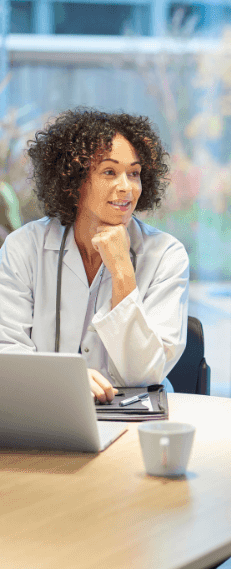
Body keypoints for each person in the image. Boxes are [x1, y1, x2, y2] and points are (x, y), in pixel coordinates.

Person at [0, 108, 189, 401]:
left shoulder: (166, 255)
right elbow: (5, 352)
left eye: (134, 173)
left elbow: (147, 374)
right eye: (109, 172)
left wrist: (122, 271)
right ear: (74, 181)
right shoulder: (24, 247)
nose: (126, 187)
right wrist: (62, 381)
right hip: (46, 407)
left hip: (136, 415)